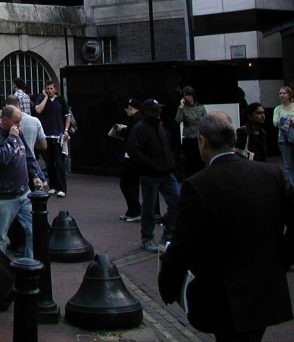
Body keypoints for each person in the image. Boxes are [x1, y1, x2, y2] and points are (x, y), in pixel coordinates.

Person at [159, 112, 294, 341]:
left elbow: (184, 244)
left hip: (225, 297)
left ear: (203, 141)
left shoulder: (198, 185)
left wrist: (168, 285)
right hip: (264, 290)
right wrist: (280, 260)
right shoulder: (272, 174)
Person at [0, 105, 44, 259]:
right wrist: (11, 137)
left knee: (34, 229)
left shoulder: (18, 133)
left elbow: (27, 155)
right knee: (0, 236)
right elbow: (2, 158)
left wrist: (36, 175)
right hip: (4, 197)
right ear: (5, 120)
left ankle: (30, 264)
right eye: (16, 122)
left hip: (24, 193)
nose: (19, 125)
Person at [126, 98, 179, 252]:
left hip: (166, 172)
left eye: (158, 109)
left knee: (177, 202)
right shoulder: (140, 129)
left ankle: (168, 233)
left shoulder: (160, 128)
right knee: (148, 207)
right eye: (154, 110)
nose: (158, 112)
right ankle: (147, 237)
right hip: (150, 174)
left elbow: (168, 144)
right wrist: (150, 164)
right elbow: (134, 151)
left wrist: (169, 160)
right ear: (146, 111)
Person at [34, 81, 71, 198]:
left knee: (59, 162)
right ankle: (53, 186)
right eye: (47, 89)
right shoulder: (41, 99)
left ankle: (62, 188)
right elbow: (38, 110)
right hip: (46, 136)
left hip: (58, 135)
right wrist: (45, 97)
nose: (49, 91)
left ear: (55, 89)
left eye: (51, 89)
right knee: (49, 163)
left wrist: (65, 130)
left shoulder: (60, 100)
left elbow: (67, 116)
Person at [118, 98, 144, 221]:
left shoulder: (135, 120)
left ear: (130, 107)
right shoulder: (140, 119)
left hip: (132, 156)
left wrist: (122, 131)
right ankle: (132, 210)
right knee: (132, 184)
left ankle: (135, 210)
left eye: (126, 109)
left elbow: (130, 135)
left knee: (125, 183)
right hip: (136, 155)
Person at [175, 86, 207, 177]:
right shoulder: (183, 108)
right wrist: (181, 107)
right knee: (189, 163)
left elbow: (206, 119)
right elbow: (178, 120)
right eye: (185, 96)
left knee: (200, 161)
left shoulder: (200, 107)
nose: (187, 98)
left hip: (199, 137)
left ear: (192, 95)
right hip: (189, 138)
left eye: (188, 95)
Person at [273, 86, 294, 186]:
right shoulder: (278, 109)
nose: (281, 95)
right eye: (280, 93)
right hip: (283, 139)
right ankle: (291, 185)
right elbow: (275, 122)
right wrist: (289, 120)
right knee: (288, 165)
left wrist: (284, 120)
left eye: (284, 93)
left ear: (289, 95)